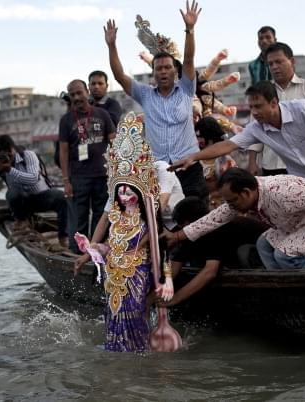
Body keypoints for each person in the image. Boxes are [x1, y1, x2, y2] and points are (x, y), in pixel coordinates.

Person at [171, 81, 305, 267]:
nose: (254, 112)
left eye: (258, 106)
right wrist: (194, 157)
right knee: (304, 227)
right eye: (252, 107)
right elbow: (229, 145)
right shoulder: (257, 128)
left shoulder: (302, 109)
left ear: (274, 103)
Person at [79, 111, 174, 352]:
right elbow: (110, 244)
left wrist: (165, 279)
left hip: (137, 271)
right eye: (119, 192)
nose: (123, 195)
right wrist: (92, 248)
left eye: (128, 191)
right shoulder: (117, 216)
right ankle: (116, 346)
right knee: (112, 312)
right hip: (114, 273)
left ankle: (137, 348)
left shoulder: (149, 211)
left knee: (134, 311)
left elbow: (159, 245)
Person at [103, 1, 209, 202]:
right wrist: (112, 45)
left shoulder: (186, 89)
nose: (162, 71)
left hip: (189, 166)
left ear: (174, 70)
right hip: (160, 170)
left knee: (197, 219)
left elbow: (188, 59)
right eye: (158, 68)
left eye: (167, 67)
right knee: (164, 222)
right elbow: (119, 76)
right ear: (153, 73)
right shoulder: (145, 94)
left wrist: (190, 29)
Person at [165, 168, 305, 269]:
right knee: (264, 244)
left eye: (233, 201)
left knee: (285, 255)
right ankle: (281, 285)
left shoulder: (281, 191)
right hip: (297, 224)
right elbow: (212, 219)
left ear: (246, 193)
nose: (230, 206)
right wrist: (178, 237)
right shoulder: (243, 198)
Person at [157, 196, 266, 307]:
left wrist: (176, 298)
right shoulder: (187, 234)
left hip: (261, 256)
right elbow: (174, 268)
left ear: (189, 223)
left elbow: (210, 272)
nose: (180, 230)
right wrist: (152, 297)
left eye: (182, 225)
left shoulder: (214, 231)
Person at [248, 42, 305, 177]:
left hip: (304, 165)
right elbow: (255, 129)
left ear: (292, 61)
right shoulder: (262, 93)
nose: (275, 67)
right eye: (270, 64)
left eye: (279, 62)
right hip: (271, 165)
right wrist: (252, 162)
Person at [59, 79, 116, 253]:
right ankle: (78, 253)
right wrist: (66, 180)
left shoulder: (102, 114)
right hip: (79, 177)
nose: (76, 97)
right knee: (79, 218)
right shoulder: (66, 120)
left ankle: (96, 250)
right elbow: (63, 152)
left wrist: (117, 168)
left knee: (101, 215)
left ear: (87, 92)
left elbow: (114, 141)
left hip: (103, 175)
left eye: (79, 92)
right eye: (72, 94)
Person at [0, 135, 67, 243]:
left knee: (62, 197)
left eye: (9, 152)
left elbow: (33, 179)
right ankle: (22, 221)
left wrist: (10, 170)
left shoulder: (28, 155)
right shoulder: (0, 164)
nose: (8, 157)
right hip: (21, 204)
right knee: (13, 193)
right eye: (4, 154)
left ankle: (64, 236)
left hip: (41, 197)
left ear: (13, 148)